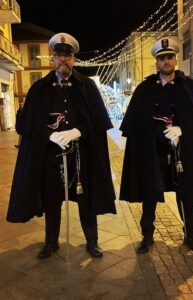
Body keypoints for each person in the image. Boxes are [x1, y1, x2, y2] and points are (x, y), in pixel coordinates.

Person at [7, 32, 116, 259]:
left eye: (67, 55)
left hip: (80, 157)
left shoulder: (87, 86)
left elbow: (98, 120)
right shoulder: (39, 88)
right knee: (51, 201)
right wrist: (49, 135)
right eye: (58, 55)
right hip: (49, 158)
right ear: (52, 58)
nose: (63, 60)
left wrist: (79, 131)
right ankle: (51, 243)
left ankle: (92, 242)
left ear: (74, 59)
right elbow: (28, 123)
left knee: (85, 200)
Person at [119, 38, 193, 254]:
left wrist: (182, 130)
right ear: (156, 62)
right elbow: (136, 123)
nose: (166, 61)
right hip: (154, 152)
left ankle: (190, 235)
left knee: (186, 195)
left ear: (175, 59)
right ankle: (147, 236)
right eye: (161, 58)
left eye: (169, 57)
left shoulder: (189, 86)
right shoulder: (145, 88)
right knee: (150, 194)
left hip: (183, 152)